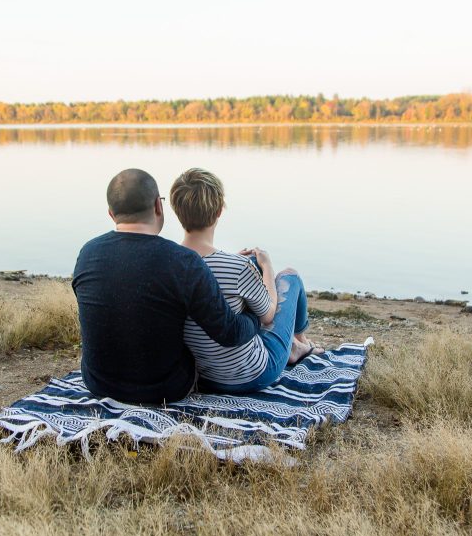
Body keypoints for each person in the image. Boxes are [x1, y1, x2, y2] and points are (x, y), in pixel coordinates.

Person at [71, 168, 261, 405]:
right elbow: (230, 333)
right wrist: (255, 317)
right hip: (165, 389)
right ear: (158, 207)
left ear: (111, 214)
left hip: (98, 383)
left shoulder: (88, 253)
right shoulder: (181, 261)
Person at [169, 167, 324, 393]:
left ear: (176, 210)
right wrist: (267, 268)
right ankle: (300, 344)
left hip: (202, 376)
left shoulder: (169, 264)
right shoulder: (239, 267)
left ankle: (295, 345)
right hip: (253, 374)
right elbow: (269, 314)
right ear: (220, 210)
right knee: (290, 276)